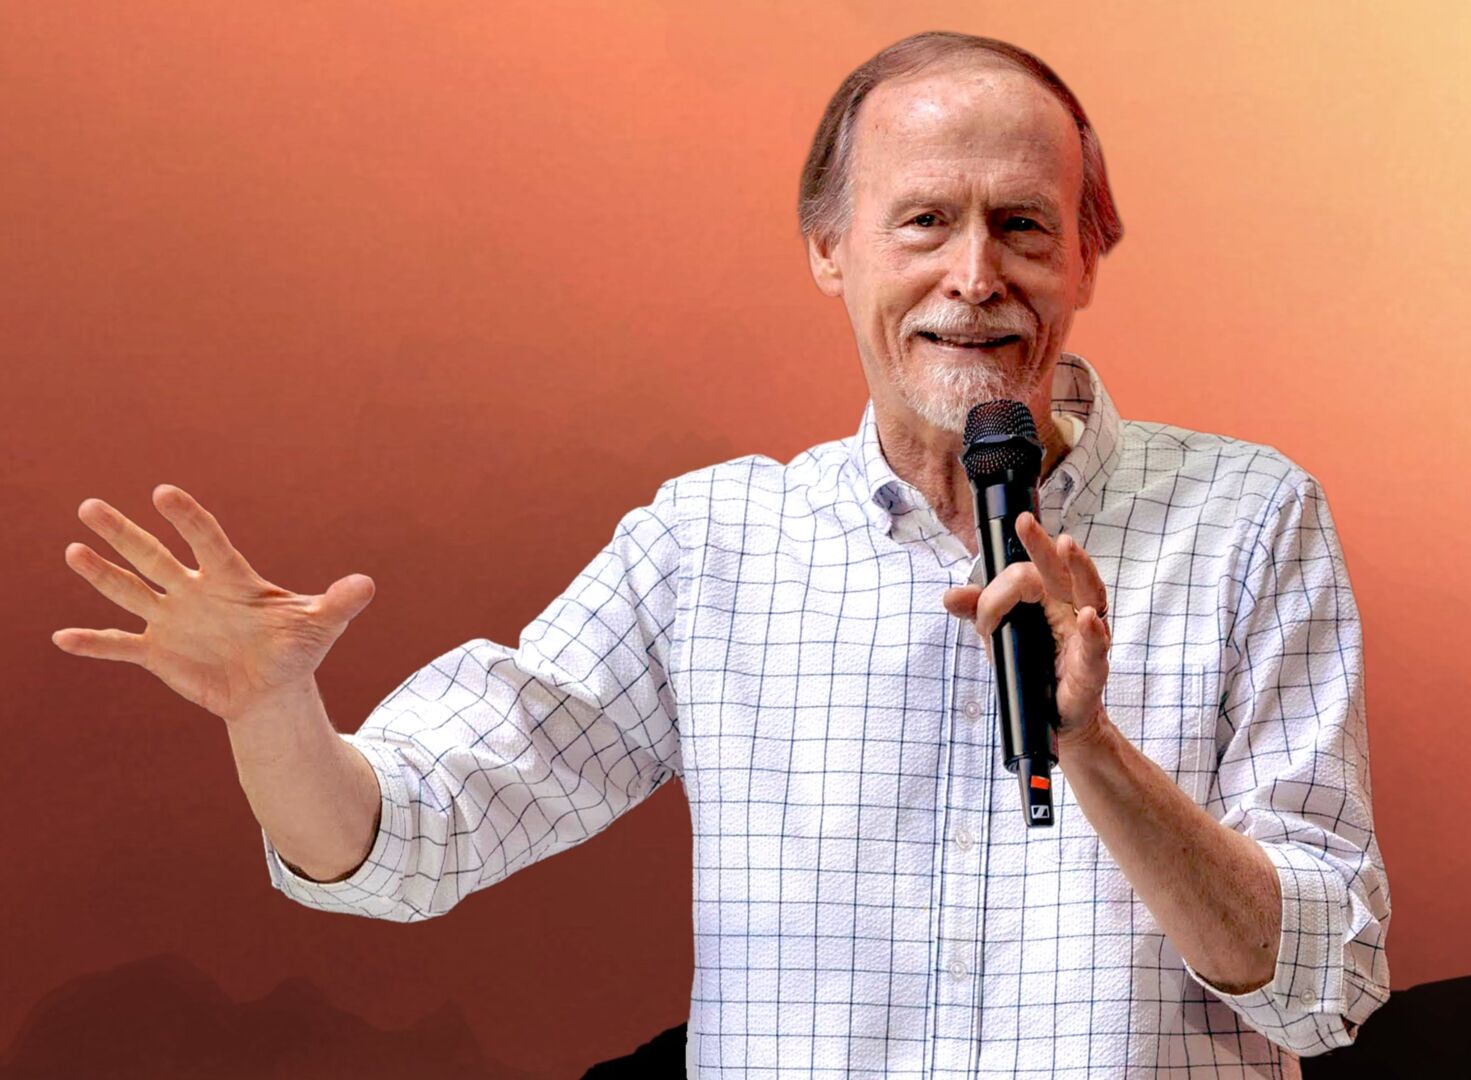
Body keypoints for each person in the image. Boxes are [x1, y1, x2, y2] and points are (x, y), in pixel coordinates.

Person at [52, 31, 1389, 1078]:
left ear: (1088, 255)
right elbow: (412, 839)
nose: (976, 274)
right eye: (924, 220)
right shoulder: (712, 547)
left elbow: (1324, 985)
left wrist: (1090, 749)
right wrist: (272, 712)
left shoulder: (1248, 519)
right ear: (829, 250)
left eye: (1024, 225)